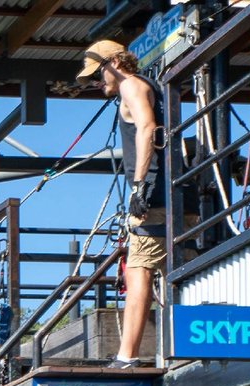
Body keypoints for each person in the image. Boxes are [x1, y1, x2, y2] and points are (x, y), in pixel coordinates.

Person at [77, 38, 169, 369]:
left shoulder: (131, 85)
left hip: (153, 197)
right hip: (168, 195)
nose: (98, 82)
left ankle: (126, 356)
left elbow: (146, 128)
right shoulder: (150, 86)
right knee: (174, 273)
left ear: (114, 63)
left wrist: (138, 187)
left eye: (99, 73)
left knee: (138, 272)